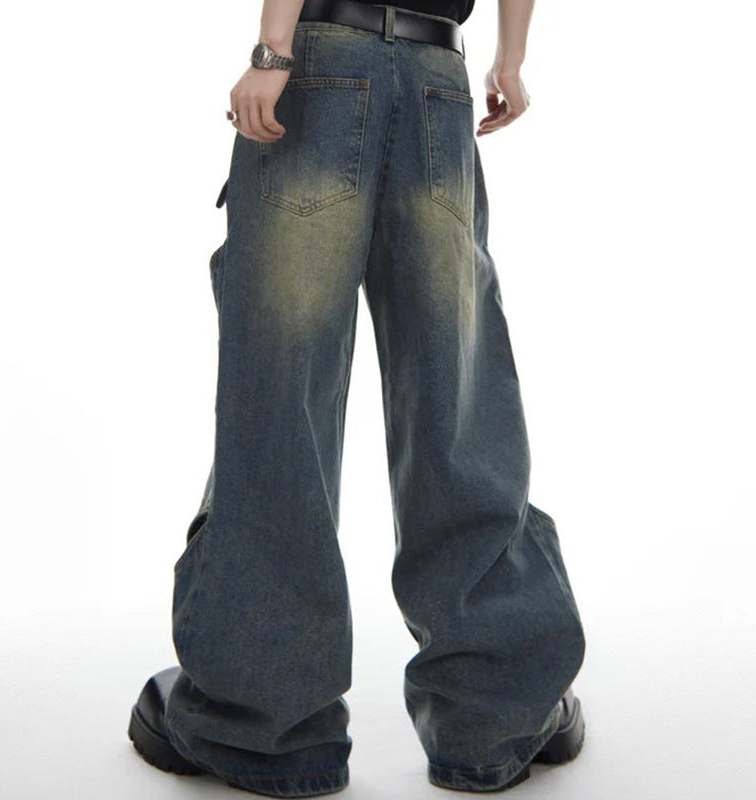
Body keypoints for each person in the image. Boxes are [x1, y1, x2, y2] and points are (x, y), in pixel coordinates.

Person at [127, 1, 587, 796]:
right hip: (439, 75)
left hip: (321, 69)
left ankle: (260, 722)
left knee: (283, 397)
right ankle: (494, 712)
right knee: (455, 398)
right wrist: (511, 59)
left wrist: (273, 51)